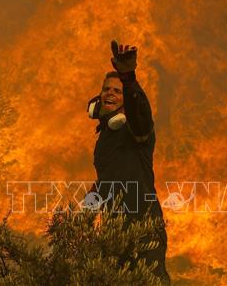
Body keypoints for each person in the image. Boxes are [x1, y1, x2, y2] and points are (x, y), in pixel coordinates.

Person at [87, 40, 170, 284]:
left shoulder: (137, 130)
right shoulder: (105, 137)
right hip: (114, 232)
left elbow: (140, 113)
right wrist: (82, 213)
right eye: (106, 90)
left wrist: (129, 79)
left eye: (117, 90)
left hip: (144, 228)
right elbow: (106, 179)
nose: (110, 93)